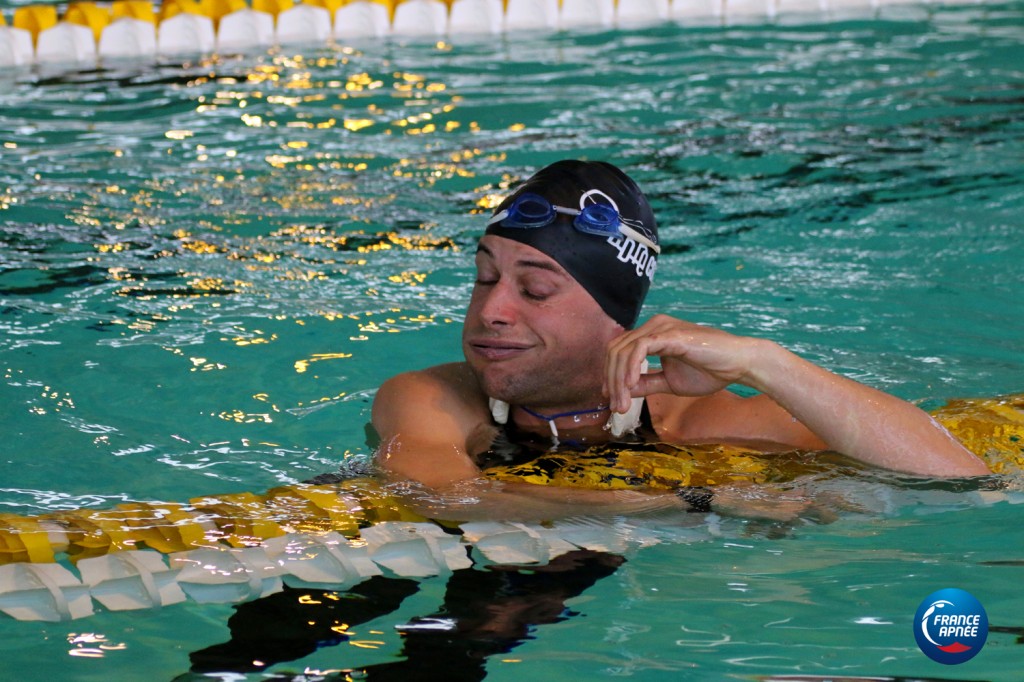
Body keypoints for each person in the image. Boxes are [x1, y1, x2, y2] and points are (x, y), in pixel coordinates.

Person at [371, 160, 989, 519]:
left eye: (534, 291)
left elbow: (959, 478)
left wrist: (763, 361)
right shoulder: (435, 397)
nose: (491, 311)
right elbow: (438, 494)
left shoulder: (711, 420)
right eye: (484, 278)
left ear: (618, 319)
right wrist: (688, 503)